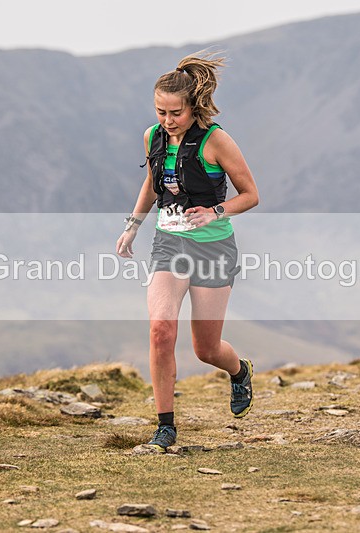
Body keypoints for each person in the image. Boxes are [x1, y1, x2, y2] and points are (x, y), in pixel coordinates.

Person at [116, 51, 260, 451]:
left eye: (175, 112)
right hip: (169, 244)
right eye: (160, 111)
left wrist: (215, 211)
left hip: (215, 248)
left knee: (206, 349)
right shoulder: (153, 136)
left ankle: (238, 370)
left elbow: (251, 196)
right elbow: (152, 182)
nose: (167, 120)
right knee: (161, 329)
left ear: (193, 106)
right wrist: (133, 226)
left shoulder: (217, 141)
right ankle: (165, 426)